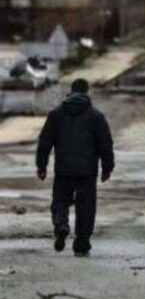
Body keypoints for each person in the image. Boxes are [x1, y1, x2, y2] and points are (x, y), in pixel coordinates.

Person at [35, 79, 114, 257]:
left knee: (60, 201)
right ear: (86, 92)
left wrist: (41, 164)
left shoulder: (56, 115)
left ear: (71, 91)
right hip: (87, 172)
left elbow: (45, 141)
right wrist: (107, 167)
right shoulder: (96, 116)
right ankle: (82, 242)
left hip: (63, 170)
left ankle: (61, 224)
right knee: (86, 207)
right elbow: (105, 144)